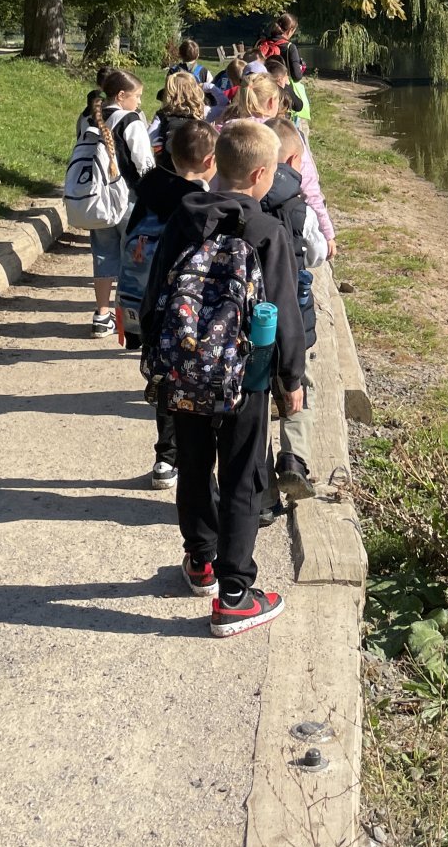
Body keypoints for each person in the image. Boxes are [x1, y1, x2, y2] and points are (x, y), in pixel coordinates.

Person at [140, 119, 303, 637]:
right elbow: (283, 312)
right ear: (259, 175)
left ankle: (199, 562)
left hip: (186, 371)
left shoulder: (183, 219)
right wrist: (291, 378)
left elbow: (156, 296)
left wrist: (157, 359)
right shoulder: (267, 231)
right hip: (245, 378)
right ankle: (235, 595)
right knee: (241, 475)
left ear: (216, 166)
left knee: (193, 465)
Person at [121, 119, 216, 486]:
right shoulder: (200, 203)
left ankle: (165, 459)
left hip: (150, 301)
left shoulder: (149, 192)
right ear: (210, 161)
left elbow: (130, 241)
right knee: (192, 379)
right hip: (189, 307)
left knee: (163, 380)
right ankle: (195, 459)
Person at [262, 118, 325, 505]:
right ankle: (294, 459)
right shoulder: (300, 207)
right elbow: (316, 253)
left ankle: (262, 486)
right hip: (295, 318)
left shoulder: (245, 200)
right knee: (299, 385)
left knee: (256, 394)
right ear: (292, 160)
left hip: (254, 319)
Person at [77, 68, 153, 337]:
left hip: (98, 198)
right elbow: (144, 163)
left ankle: (102, 315)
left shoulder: (88, 117)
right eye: (137, 96)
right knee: (134, 258)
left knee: (103, 254)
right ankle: (129, 317)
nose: (139, 102)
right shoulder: (131, 121)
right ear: (121, 95)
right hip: (128, 198)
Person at [226, 74, 335, 259]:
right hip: (279, 228)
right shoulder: (284, 133)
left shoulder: (229, 130)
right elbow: (310, 187)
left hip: (234, 219)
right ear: (272, 102)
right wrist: (328, 234)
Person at [148, 71, 207, 166]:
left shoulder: (162, 114)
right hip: (193, 165)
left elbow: (150, 137)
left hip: (167, 165)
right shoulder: (201, 113)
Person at [263, 53, 312, 127]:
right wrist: (288, 86)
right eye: (285, 76)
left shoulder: (262, 88)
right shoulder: (284, 91)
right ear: (280, 79)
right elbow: (298, 106)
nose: (287, 78)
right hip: (279, 125)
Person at [255, 12, 305, 82]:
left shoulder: (262, 43)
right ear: (290, 30)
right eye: (294, 31)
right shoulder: (290, 47)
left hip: (263, 84)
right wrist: (301, 68)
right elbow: (297, 77)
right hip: (281, 86)